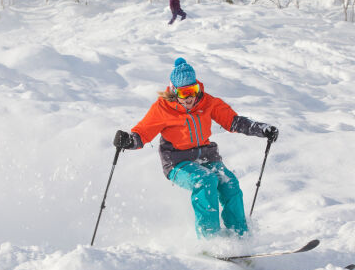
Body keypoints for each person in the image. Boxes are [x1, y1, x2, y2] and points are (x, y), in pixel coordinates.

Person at [113, 58, 279, 239]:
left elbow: (233, 121)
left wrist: (260, 129)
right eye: (184, 93)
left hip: (207, 156)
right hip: (177, 161)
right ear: (174, 92)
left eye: (193, 90)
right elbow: (142, 133)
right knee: (205, 181)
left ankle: (239, 237)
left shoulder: (207, 102)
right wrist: (128, 140)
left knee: (229, 184)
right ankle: (210, 241)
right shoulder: (162, 108)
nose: (190, 97)